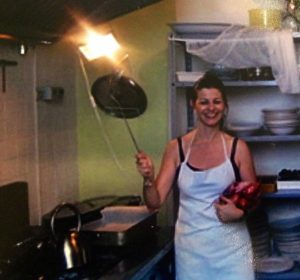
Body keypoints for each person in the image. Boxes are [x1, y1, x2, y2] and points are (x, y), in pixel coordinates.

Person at [135, 71, 258, 280]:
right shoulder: (176, 148)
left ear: (225, 106)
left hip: (234, 250)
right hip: (191, 251)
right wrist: (148, 178)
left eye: (217, 102)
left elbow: (254, 197)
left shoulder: (238, 148)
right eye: (204, 102)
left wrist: (239, 213)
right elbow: (154, 203)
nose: (211, 108)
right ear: (194, 105)